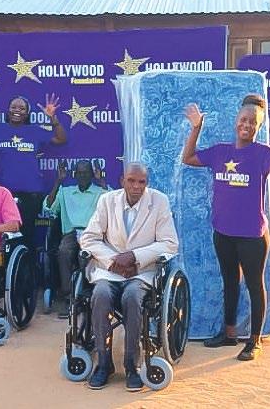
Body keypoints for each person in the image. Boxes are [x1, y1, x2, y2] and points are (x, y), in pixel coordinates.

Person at [182, 94, 270, 361]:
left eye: (253, 122)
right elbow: (187, 157)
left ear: (259, 127)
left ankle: (254, 340)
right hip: (223, 233)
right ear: (236, 120)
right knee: (229, 282)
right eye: (244, 120)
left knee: (254, 285)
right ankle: (228, 334)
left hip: (252, 236)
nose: (247, 125)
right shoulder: (220, 151)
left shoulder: (263, 153)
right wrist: (196, 127)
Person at [80, 162, 179, 391]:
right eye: (131, 181)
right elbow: (88, 238)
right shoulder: (107, 200)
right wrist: (114, 261)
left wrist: (134, 257)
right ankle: (104, 363)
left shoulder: (159, 201)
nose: (136, 186)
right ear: (122, 181)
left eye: (141, 182)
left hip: (142, 272)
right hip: (109, 270)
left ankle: (131, 364)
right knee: (100, 295)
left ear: (147, 183)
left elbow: (170, 243)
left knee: (132, 298)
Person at [0, 92, 67, 253]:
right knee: (0, 237)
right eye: (14, 107)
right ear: (8, 110)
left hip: (30, 194)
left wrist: (53, 118)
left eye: (22, 108)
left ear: (27, 114)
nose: (17, 110)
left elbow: (61, 140)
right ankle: (2, 268)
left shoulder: (35, 131)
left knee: (27, 237)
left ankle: (26, 268)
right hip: (2, 194)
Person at [43, 159, 108, 318]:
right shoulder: (65, 192)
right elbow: (48, 207)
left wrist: (101, 180)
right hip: (71, 233)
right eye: (79, 173)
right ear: (74, 174)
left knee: (84, 257)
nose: (83, 176)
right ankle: (69, 298)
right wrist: (58, 181)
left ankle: (87, 295)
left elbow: (113, 204)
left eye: (86, 173)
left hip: (92, 233)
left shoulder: (100, 192)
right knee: (63, 252)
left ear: (92, 174)